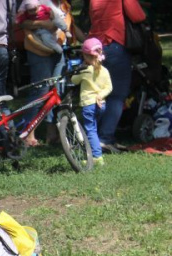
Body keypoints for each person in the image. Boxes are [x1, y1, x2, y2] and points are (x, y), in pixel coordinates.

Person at [19, 0, 84, 147]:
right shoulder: (35, 2)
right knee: (40, 91)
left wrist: (87, 41)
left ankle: (52, 133)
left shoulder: (63, 4)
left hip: (58, 51)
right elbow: (21, 23)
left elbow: (70, 26)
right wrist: (44, 24)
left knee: (56, 91)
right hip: (39, 51)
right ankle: (28, 133)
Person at [88, 0, 146, 153]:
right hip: (114, 43)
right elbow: (138, 15)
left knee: (98, 93)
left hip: (95, 47)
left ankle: (93, 137)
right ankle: (105, 138)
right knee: (117, 95)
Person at [72, 38, 112, 166]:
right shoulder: (104, 71)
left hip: (89, 104)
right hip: (101, 104)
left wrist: (77, 69)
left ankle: (97, 156)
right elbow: (109, 87)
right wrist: (100, 95)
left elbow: (74, 80)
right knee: (94, 128)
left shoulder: (85, 71)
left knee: (91, 130)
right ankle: (95, 151)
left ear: (85, 55)